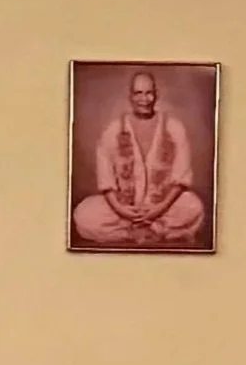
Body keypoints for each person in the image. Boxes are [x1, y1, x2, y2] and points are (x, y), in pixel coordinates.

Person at [72, 71, 205, 245]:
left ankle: (153, 228)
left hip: (162, 207)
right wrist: (123, 211)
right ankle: (138, 232)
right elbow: (106, 182)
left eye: (149, 93)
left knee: (193, 206)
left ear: (156, 95)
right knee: (84, 213)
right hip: (124, 209)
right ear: (131, 96)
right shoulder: (113, 130)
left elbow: (180, 180)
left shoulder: (174, 127)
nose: (144, 99)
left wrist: (158, 209)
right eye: (139, 93)